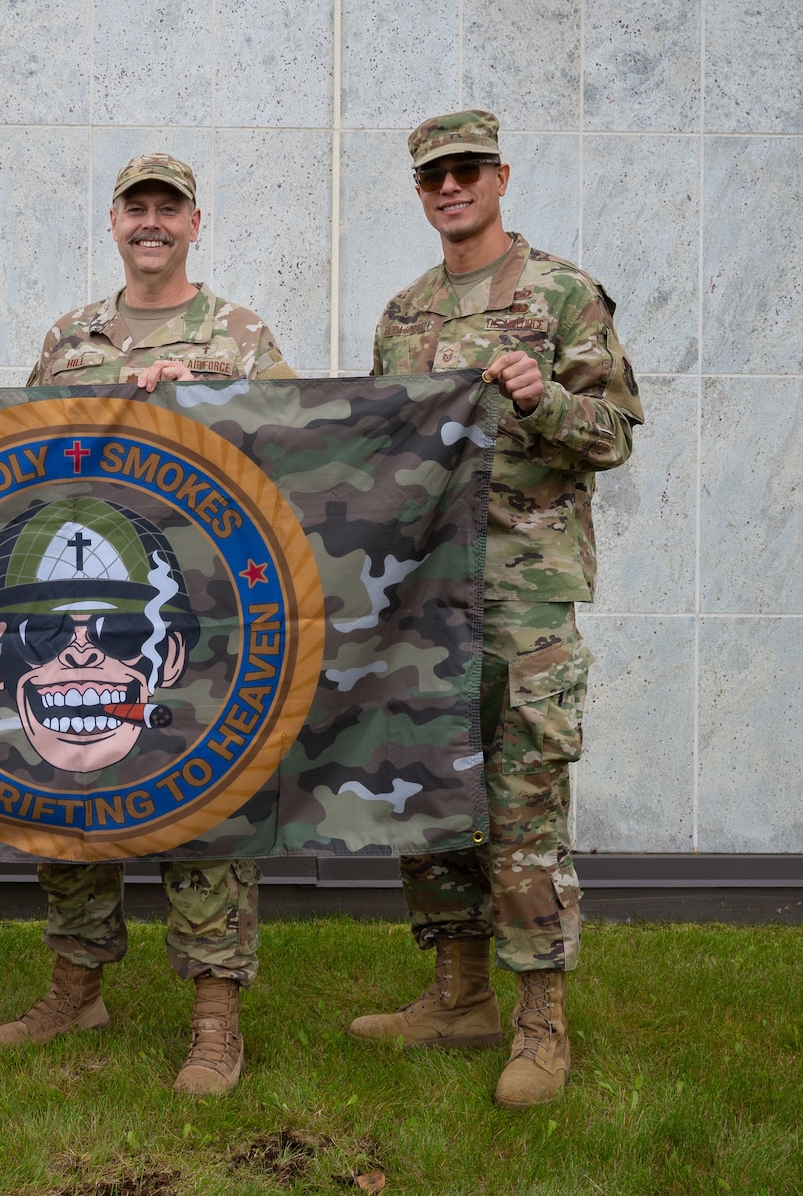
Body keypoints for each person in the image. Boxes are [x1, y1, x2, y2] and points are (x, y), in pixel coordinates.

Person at [346, 109, 643, 1110]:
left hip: (523, 594)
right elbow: (383, 460)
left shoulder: (559, 294)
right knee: (426, 792)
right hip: (426, 597)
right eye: (433, 175)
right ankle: (457, 992)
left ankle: (539, 1017)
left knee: (521, 806)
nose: (449, 188)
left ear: (500, 176)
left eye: (466, 170)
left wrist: (539, 395)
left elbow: (608, 436)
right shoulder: (401, 316)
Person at [0, 153, 295, 1098]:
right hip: (71, 604)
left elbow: (294, 445)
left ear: (196, 222)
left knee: (205, 802)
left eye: (169, 208)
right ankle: (77, 985)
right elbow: (20, 455)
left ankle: (214, 1014)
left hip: (201, 607)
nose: (151, 222)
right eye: (136, 208)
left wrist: (206, 402)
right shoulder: (69, 337)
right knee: (72, 788)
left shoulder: (238, 334)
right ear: (113, 222)